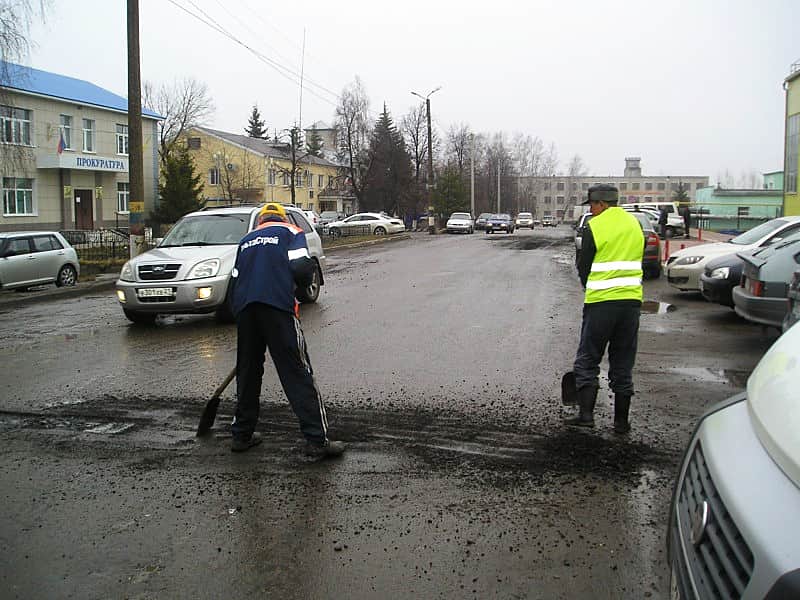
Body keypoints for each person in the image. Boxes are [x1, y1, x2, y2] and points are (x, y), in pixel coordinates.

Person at [228, 202, 346, 457]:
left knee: (248, 373)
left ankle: (241, 435)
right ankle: (317, 440)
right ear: (282, 218)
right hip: (277, 307)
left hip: (246, 309)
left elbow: (235, 281)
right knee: (296, 371)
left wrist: (242, 314)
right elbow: (302, 268)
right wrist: (295, 285)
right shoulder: (291, 232)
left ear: (261, 221)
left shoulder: (246, 240)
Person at [567, 185, 644, 434]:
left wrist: (589, 286)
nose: (590, 209)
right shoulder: (635, 224)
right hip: (631, 303)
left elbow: (584, 265)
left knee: (588, 357)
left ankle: (586, 416)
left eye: (592, 204)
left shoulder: (595, 227)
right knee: (622, 362)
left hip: (601, 303)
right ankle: (621, 422)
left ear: (601, 204)